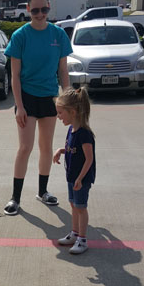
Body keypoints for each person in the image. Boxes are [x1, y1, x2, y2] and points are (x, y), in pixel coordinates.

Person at [3, 0, 72, 216]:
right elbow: (15, 76)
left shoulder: (58, 35)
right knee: (25, 147)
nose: (40, 14)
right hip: (27, 98)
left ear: (49, 8)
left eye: (44, 10)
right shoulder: (20, 36)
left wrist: (67, 99)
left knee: (46, 147)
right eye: (35, 11)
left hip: (50, 97)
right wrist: (19, 106)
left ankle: (43, 191)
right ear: (28, 10)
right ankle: (15, 197)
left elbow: (63, 71)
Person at [53, 87, 96, 255]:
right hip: (71, 176)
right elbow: (73, 150)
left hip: (81, 179)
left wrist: (80, 178)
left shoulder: (84, 134)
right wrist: (61, 150)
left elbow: (89, 159)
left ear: (72, 112)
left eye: (60, 113)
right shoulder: (71, 129)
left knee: (81, 208)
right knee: (73, 204)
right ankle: (75, 233)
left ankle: (82, 240)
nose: (58, 116)